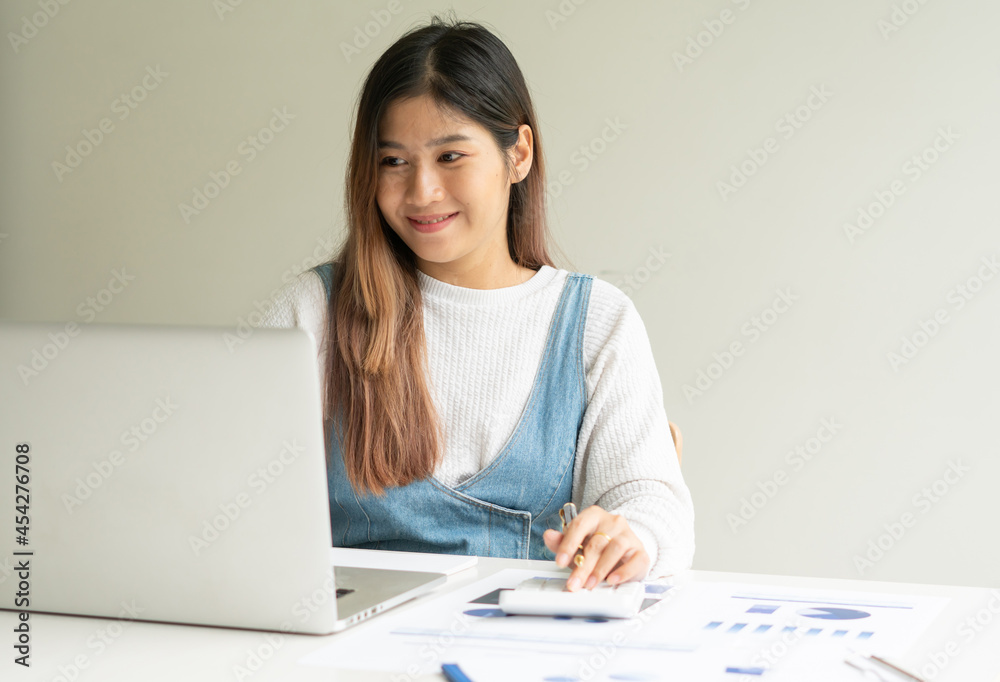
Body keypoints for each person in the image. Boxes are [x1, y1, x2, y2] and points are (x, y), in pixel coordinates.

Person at [260, 15, 694, 591]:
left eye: (450, 157)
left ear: (518, 155)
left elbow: (648, 500)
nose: (421, 192)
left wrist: (633, 535)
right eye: (393, 161)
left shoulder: (597, 322)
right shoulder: (312, 313)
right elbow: (226, 498)